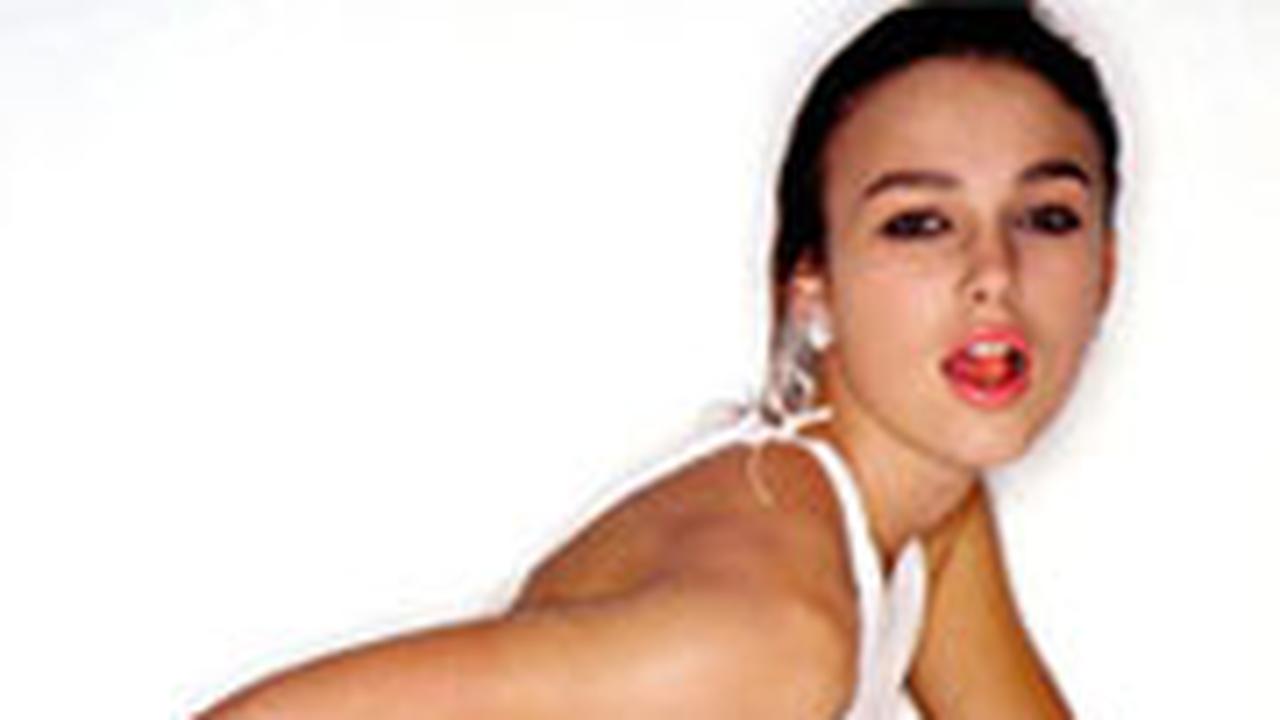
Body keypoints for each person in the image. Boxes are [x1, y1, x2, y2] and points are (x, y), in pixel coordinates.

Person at [200, 0, 1119, 717]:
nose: (994, 274)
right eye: (917, 224)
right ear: (812, 283)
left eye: (1048, 217)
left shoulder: (928, 514)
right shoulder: (772, 632)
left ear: (1106, 267)